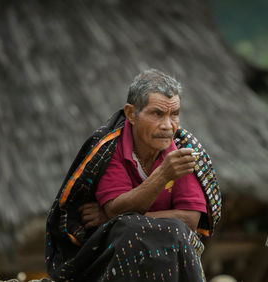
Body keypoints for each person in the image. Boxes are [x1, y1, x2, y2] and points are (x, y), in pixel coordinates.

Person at [45, 69, 222, 281]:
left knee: (161, 229)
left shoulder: (182, 149)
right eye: (157, 114)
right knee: (129, 231)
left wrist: (111, 218)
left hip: (172, 249)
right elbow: (116, 208)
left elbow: (190, 220)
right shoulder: (109, 148)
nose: (168, 126)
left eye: (174, 114)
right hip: (115, 253)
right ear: (131, 114)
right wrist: (163, 174)